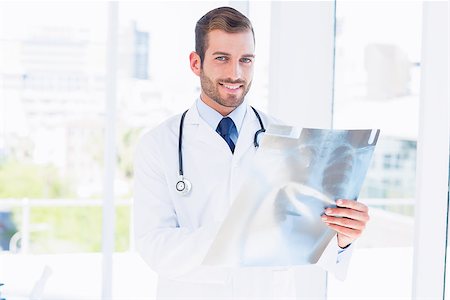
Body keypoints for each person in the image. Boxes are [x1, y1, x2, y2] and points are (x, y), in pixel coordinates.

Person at [134, 6, 370, 299]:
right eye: (222, 58)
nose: (236, 73)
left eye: (246, 60)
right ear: (196, 63)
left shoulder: (287, 138)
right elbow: (154, 246)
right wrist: (239, 233)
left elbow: (306, 236)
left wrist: (342, 237)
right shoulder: (159, 144)